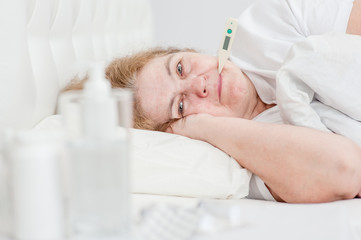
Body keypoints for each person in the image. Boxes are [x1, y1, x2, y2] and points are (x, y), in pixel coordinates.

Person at [65, 0, 361, 203]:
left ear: (189, 50)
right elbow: (345, 168)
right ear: (179, 130)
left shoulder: (272, 23)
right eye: (180, 106)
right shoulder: (244, 160)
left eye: (180, 67)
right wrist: (203, 128)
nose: (199, 85)